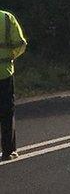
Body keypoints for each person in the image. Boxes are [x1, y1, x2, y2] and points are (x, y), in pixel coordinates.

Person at [0, 9, 27, 161]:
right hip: (4, 72)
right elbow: (21, 43)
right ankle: (8, 151)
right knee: (6, 111)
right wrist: (11, 57)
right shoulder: (6, 18)